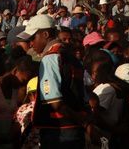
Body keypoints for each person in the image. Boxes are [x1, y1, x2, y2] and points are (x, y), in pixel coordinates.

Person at [23, 14, 88, 149]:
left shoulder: (50, 57)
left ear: (45, 34)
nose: (31, 43)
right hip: (74, 129)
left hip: (59, 130)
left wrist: (82, 122)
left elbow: (55, 102)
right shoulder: (71, 56)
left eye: (33, 38)